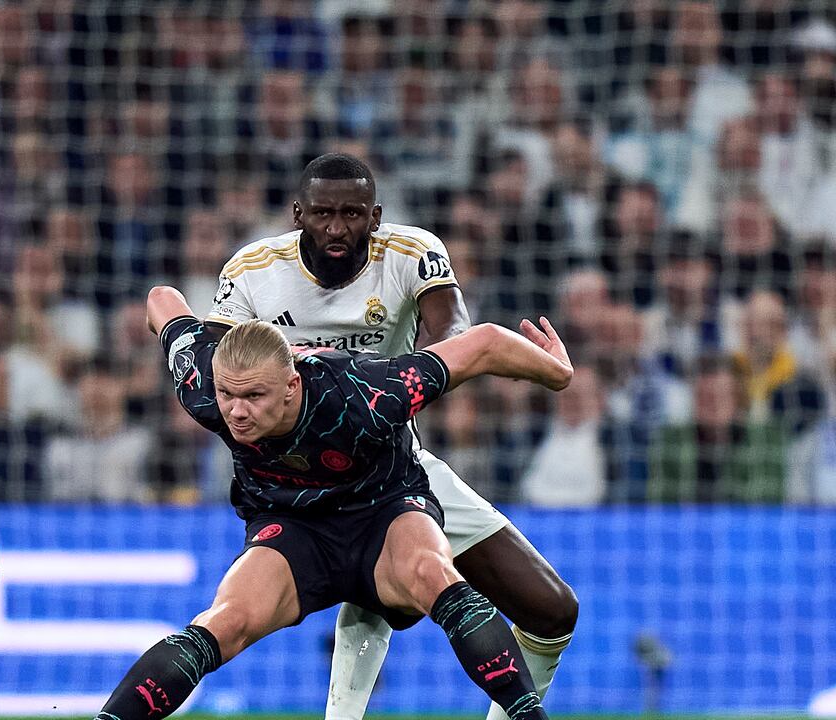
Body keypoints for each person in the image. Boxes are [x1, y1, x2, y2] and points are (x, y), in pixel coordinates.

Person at [206, 153, 577, 720]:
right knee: (376, 582)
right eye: (323, 213)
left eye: (352, 214)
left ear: (375, 217)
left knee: (552, 611)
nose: (336, 227)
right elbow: (214, 373)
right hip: (300, 481)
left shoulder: (412, 253)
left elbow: (454, 334)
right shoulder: (251, 270)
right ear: (297, 214)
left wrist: (364, 389)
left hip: (397, 462)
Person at [90, 284, 573, 720]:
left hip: (384, 512)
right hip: (291, 526)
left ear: (292, 385)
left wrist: (557, 375)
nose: (236, 412)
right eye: (227, 394)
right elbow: (161, 299)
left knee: (433, 573)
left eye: (254, 395)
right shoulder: (202, 386)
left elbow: (482, 344)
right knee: (223, 621)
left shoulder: (364, 391)